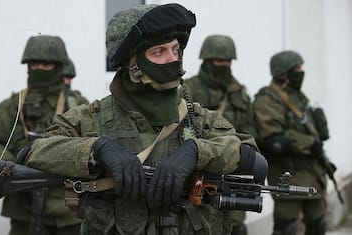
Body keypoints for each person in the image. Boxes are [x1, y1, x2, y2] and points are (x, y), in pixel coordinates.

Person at [22, 3, 268, 235]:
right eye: (158, 51)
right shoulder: (90, 119)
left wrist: (198, 152)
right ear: (133, 64)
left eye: (176, 49)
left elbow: (254, 161)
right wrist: (97, 149)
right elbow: (34, 151)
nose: (173, 59)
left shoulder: (200, 119)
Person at [0, 35, 89, 235]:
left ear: (58, 66)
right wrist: (10, 167)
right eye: (34, 64)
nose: (39, 69)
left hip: (68, 211)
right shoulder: (13, 105)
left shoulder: (78, 105)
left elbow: (93, 149)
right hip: (22, 208)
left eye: (46, 64)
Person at [184, 35, 257, 235]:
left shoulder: (238, 93)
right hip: (197, 171)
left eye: (227, 62)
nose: (223, 66)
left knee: (235, 227)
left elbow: (249, 131)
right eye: (218, 61)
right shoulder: (188, 90)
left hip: (231, 172)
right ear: (207, 61)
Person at [253, 50, 330, 235]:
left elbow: (320, 133)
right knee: (287, 227)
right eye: (296, 69)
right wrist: (309, 142)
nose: (301, 72)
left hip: (313, 171)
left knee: (319, 224)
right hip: (287, 172)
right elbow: (274, 139)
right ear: (283, 73)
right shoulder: (267, 99)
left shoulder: (299, 97)